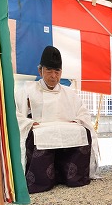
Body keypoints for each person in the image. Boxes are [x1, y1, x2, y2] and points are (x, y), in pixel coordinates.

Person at [15, 45, 100, 193]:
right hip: (41, 130)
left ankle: (73, 177)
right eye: (49, 71)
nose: (54, 76)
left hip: (66, 129)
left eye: (57, 72)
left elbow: (83, 113)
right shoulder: (27, 90)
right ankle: (41, 181)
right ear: (40, 70)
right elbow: (16, 114)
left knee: (82, 132)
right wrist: (28, 123)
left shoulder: (69, 93)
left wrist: (79, 121)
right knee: (37, 136)